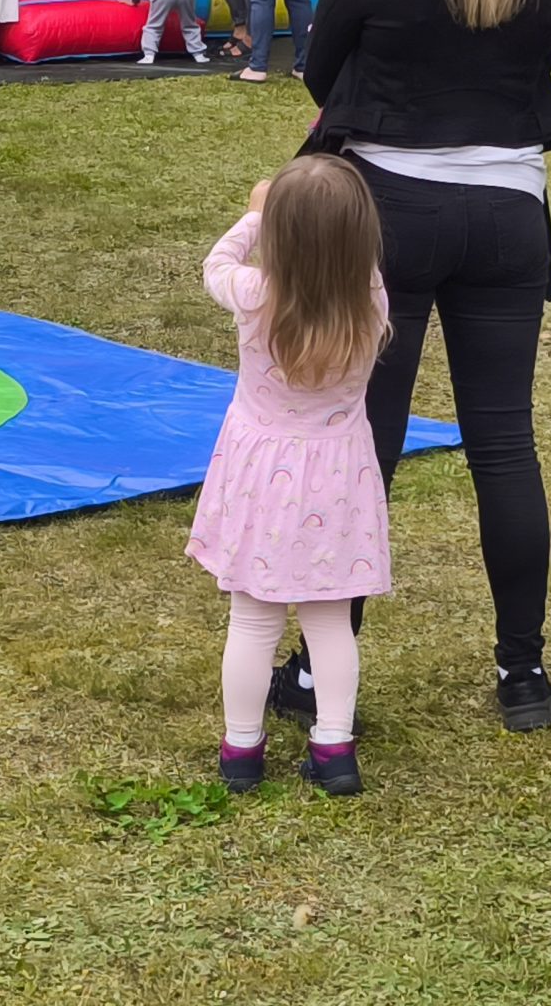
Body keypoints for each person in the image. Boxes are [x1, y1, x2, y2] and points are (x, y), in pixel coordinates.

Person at [297, 0, 551, 733]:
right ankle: (522, 671)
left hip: (390, 211)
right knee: (504, 441)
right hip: (508, 215)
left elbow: (320, 69)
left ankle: (320, 666)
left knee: (365, 441)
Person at [188, 157, 393, 797]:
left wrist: (255, 215)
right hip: (339, 477)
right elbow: (348, 256)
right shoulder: (371, 299)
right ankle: (334, 749)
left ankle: (241, 751)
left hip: (261, 478)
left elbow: (215, 264)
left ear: (278, 235)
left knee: (253, 622)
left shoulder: (253, 293)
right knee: (330, 622)